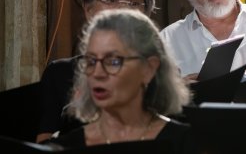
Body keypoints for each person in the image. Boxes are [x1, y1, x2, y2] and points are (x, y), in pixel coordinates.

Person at [37, 0, 156, 143]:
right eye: (111, 0)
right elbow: (44, 142)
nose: (122, 10)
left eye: (134, 3)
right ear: (89, 9)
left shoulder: (157, 72)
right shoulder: (59, 73)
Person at [47, 9, 192, 153]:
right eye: (91, 61)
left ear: (149, 68)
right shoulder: (64, 147)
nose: (97, 73)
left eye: (113, 61)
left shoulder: (185, 143)